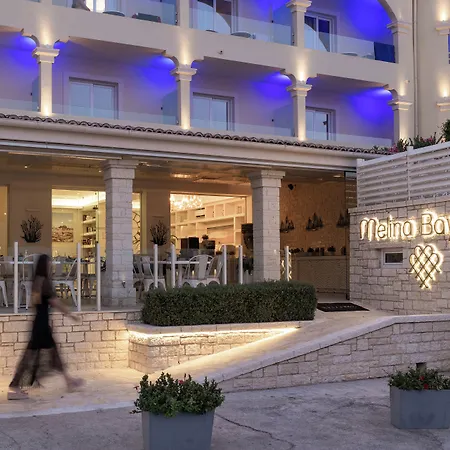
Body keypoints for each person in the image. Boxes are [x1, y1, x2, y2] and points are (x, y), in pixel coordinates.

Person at [8, 254, 84, 400]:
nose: (51, 266)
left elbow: (35, 303)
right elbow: (55, 302)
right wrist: (70, 315)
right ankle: (15, 386)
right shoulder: (45, 282)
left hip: (39, 322)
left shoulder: (37, 281)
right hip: (41, 324)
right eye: (49, 264)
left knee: (51, 353)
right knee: (31, 356)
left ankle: (69, 381)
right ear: (44, 266)